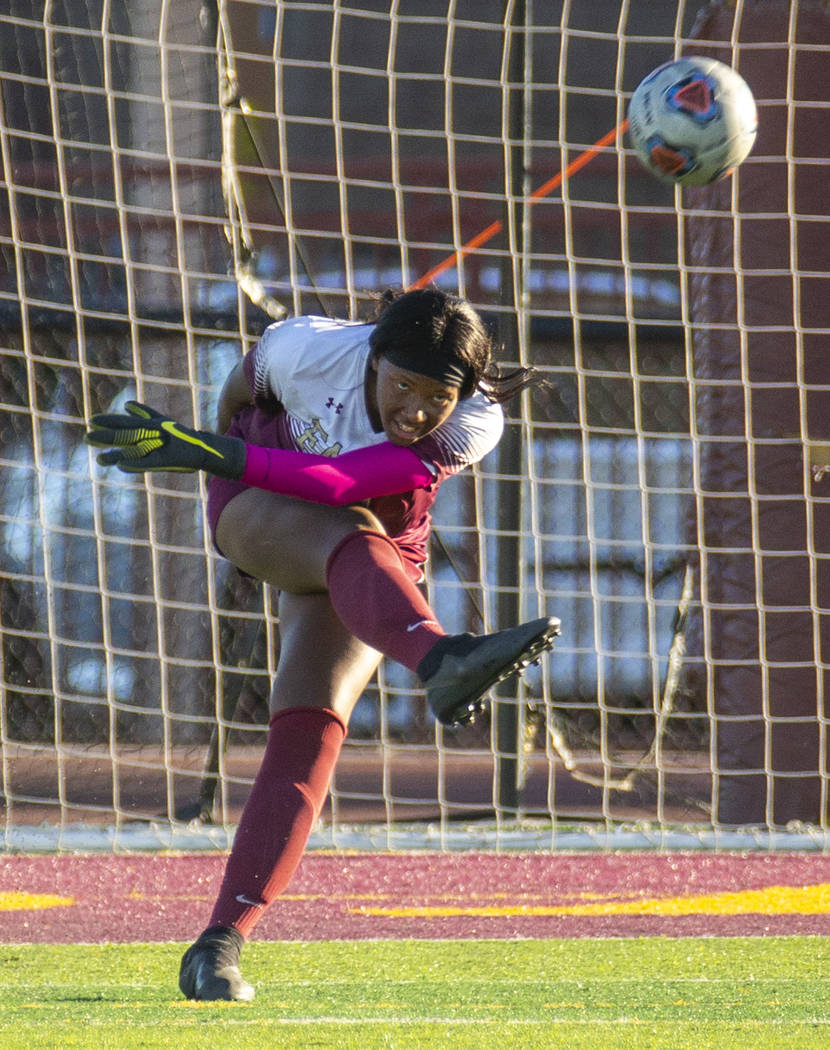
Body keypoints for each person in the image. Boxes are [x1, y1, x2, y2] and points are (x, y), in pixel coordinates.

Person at [85, 287, 560, 1001]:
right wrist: (220, 460)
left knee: (311, 733)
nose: (417, 410)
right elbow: (237, 392)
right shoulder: (303, 348)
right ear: (371, 359)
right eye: (403, 385)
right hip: (260, 514)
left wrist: (218, 452)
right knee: (352, 538)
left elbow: (343, 482)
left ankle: (218, 945)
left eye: (436, 396)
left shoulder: (477, 420)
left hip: (369, 551)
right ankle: (441, 661)